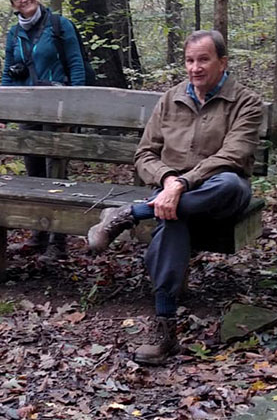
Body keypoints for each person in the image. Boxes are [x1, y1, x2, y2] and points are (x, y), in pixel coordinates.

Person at [85, 30, 263, 364]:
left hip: (217, 192)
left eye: (204, 60)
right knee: (173, 218)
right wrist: (168, 179)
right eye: (190, 60)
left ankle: (131, 213)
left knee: (228, 183)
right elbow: (144, 155)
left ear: (222, 62)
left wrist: (182, 183)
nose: (195, 68)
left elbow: (234, 156)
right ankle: (165, 329)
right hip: (172, 196)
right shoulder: (170, 99)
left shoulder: (245, 102)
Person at [0, 0, 86, 259]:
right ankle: (39, 234)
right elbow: (8, 73)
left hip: (58, 110)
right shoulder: (14, 35)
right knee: (34, 173)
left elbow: (76, 65)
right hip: (28, 110)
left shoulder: (60, 26)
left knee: (56, 174)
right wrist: (2, 109)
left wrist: (76, 107)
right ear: (13, 5)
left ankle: (58, 243)